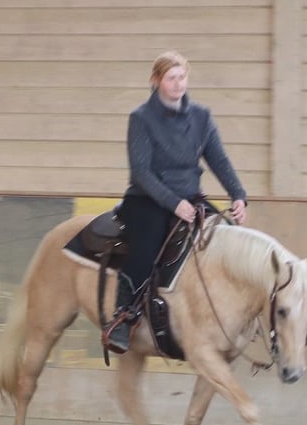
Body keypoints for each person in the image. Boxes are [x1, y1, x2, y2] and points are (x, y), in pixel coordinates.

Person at [106, 50, 248, 353]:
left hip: (190, 197)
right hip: (147, 199)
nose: (178, 84)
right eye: (172, 78)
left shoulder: (201, 117)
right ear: (156, 80)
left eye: (182, 77)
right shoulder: (141, 119)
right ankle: (124, 316)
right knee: (145, 247)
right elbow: (141, 172)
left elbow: (218, 159)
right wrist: (173, 204)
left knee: (223, 237)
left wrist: (238, 194)